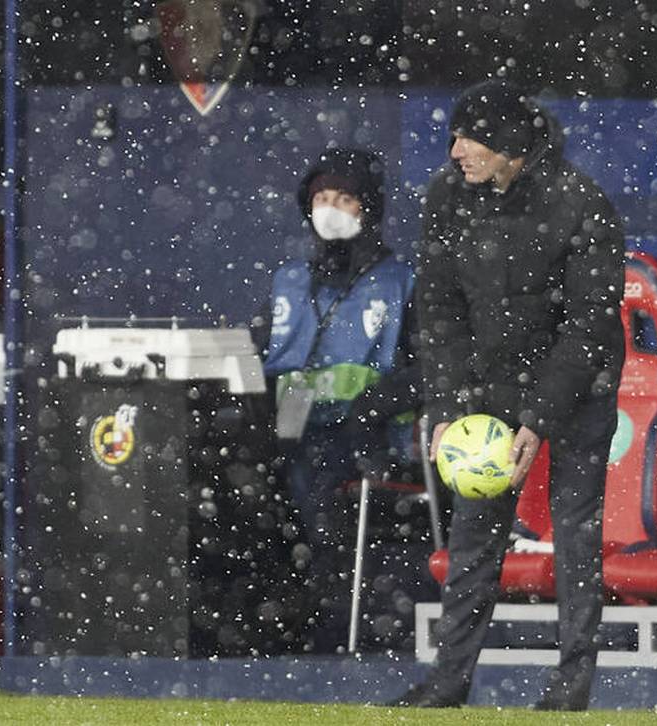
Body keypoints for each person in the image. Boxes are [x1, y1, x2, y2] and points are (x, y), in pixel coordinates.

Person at [394, 79, 624, 711]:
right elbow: (439, 307)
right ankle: (447, 685)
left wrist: (538, 416)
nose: (456, 152)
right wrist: (448, 407)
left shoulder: (581, 203)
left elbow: (589, 325)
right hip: (489, 386)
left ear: (509, 145)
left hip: (579, 387)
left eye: (469, 139)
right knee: (474, 537)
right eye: (453, 137)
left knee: (575, 533)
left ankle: (571, 686)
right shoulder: (447, 195)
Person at [260, 147, 421, 653]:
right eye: (321, 198)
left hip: (370, 439)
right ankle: (276, 630)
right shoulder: (289, 281)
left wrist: (370, 410)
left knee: (326, 506)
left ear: (368, 208)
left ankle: (331, 635)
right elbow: (262, 356)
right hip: (291, 434)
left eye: (344, 198)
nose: (330, 209)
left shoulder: (402, 283)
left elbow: (428, 370)